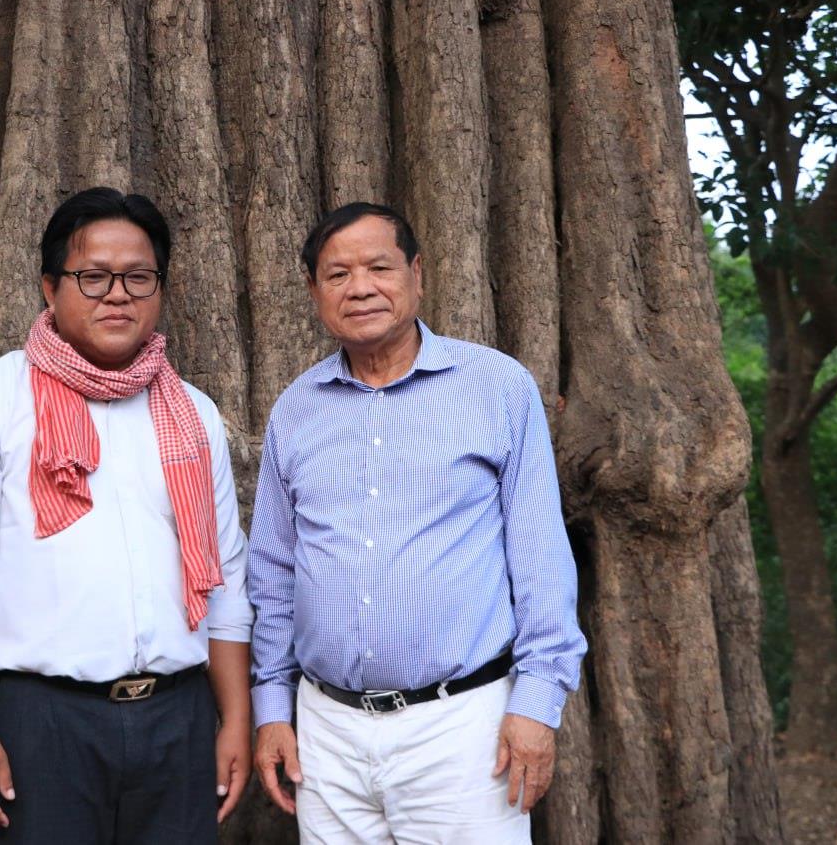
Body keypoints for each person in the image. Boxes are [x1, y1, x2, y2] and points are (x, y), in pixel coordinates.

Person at [0, 187, 253, 844]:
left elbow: (226, 579)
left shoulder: (194, 414)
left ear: (160, 289)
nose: (117, 295)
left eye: (138, 277)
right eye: (93, 277)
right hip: (43, 723)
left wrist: (234, 719)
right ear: (50, 287)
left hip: (179, 719)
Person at [248, 202, 587, 843]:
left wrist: (538, 703)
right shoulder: (296, 410)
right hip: (327, 732)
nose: (360, 288)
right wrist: (271, 707)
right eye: (338, 274)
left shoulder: (496, 387)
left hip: (463, 728)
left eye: (379, 267)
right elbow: (273, 573)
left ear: (417, 274)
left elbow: (541, 556)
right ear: (314, 291)